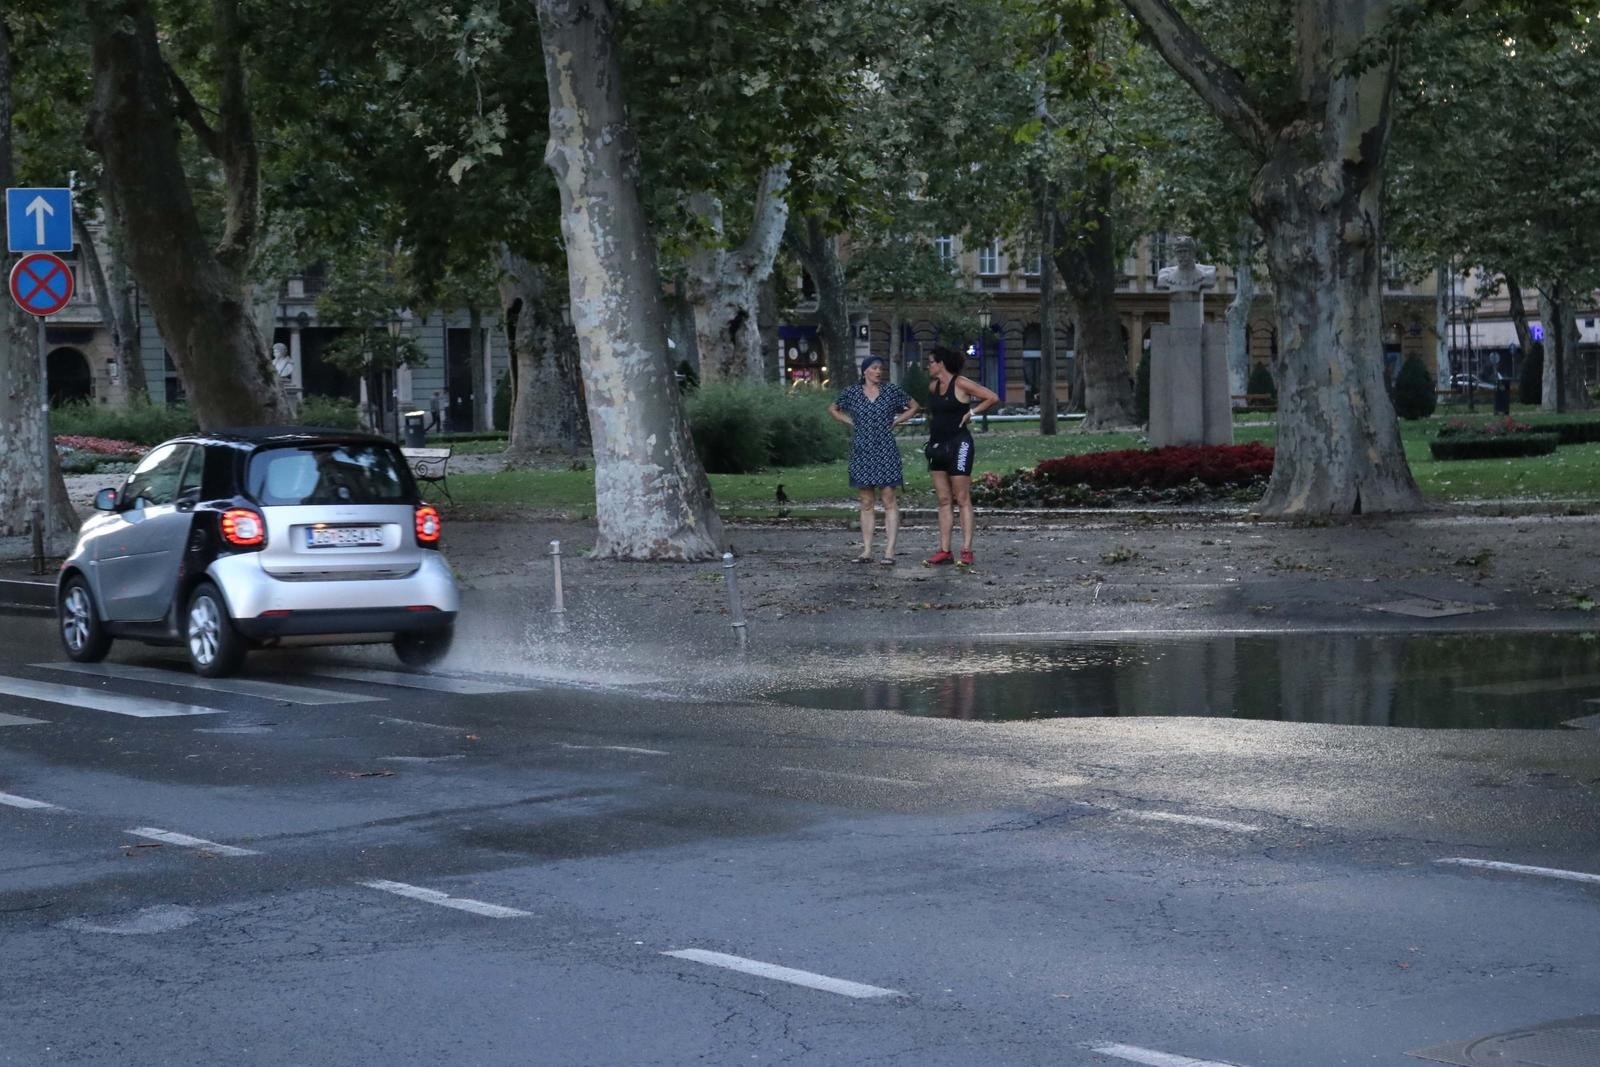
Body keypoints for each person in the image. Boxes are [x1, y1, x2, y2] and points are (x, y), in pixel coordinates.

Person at [829, 355, 919, 564]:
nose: (879, 371)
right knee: (866, 501)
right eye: (875, 368)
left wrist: (897, 421)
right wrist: (849, 422)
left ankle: (889, 551)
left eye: (881, 368)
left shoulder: (890, 391)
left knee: (888, 499)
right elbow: (833, 408)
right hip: (862, 449)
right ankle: (867, 550)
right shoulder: (852, 393)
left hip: (885, 448)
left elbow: (914, 406)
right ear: (865, 371)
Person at [922, 345, 998, 567]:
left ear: (940, 364)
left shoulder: (961, 383)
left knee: (962, 498)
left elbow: (991, 397)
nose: (928, 366)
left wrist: (972, 412)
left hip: (959, 444)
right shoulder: (933, 386)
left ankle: (966, 549)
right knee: (944, 499)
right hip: (937, 446)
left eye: (930, 362)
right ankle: (945, 550)